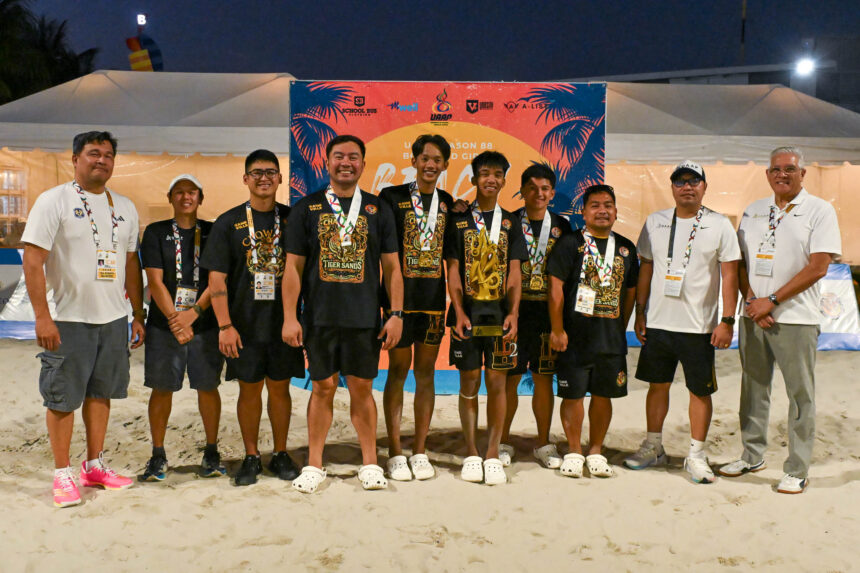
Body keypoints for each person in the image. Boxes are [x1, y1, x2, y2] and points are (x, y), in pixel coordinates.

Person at [21, 131, 143, 507]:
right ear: (75, 159)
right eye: (93, 153)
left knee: (100, 393)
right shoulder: (53, 200)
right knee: (62, 398)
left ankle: (94, 465)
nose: (101, 160)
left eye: (108, 154)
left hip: (113, 318)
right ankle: (63, 473)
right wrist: (42, 317)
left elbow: (130, 263)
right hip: (68, 318)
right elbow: (33, 260)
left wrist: (137, 314)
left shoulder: (125, 206)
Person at [283, 134, 404, 493]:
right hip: (319, 317)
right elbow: (293, 268)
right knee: (322, 388)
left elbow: (392, 268)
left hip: (364, 318)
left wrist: (396, 313)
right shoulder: (306, 208)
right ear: (327, 162)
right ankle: (314, 464)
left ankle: (370, 463)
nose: (346, 163)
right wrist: (290, 317)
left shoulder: (378, 209)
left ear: (363, 164)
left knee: (362, 388)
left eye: (353, 157)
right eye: (338, 156)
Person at [720, 146, 841, 494]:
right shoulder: (754, 210)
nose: (782, 174)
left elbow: (818, 267)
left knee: (800, 394)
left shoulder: (819, 210)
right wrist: (752, 302)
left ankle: (797, 468)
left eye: (789, 169)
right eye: (776, 169)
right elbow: (739, 262)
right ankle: (752, 455)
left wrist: (771, 302)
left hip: (796, 318)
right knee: (753, 388)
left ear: (803, 173)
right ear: (767, 174)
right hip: (754, 316)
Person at [624, 161, 740, 484]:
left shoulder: (719, 225)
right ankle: (654, 446)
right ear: (672, 187)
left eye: (694, 181)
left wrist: (727, 320)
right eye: (680, 181)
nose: (687, 186)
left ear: (705, 186)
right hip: (659, 323)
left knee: (699, 391)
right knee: (656, 385)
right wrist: (640, 312)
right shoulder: (655, 221)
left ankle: (697, 454)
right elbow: (646, 267)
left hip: (699, 327)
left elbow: (730, 276)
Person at [201, 149, 304, 486]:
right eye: (257, 172)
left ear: (280, 178)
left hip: (283, 322)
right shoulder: (227, 222)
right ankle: (251, 456)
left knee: (280, 389)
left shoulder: (293, 219)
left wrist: (296, 319)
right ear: (245, 178)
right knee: (249, 391)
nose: (264, 178)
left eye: (270, 172)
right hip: (243, 325)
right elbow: (217, 280)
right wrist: (225, 326)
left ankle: (281, 453)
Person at [445, 150, 527, 486]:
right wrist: (459, 310)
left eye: (497, 174)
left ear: (504, 180)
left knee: (497, 384)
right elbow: (452, 269)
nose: (490, 179)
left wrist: (514, 313)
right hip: (467, 316)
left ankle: (492, 453)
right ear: (474, 179)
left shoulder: (511, 223)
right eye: (484, 174)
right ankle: (471, 452)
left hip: (499, 316)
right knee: (468, 383)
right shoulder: (458, 220)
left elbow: (515, 273)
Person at [139, 174, 225, 481]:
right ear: (170, 197)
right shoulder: (155, 232)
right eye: (179, 192)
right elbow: (155, 281)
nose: (185, 197)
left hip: (205, 324)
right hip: (165, 326)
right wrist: (176, 320)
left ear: (200, 197)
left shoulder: (214, 232)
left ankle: (211, 451)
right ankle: (157, 455)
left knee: (208, 387)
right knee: (162, 388)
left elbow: (217, 279)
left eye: (191, 192)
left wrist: (194, 313)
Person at [378, 135, 454, 481]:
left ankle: (420, 451)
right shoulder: (391, 198)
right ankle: (395, 451)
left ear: (445, 165)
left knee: (426, 374)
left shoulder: (448, 203)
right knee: (397, 371)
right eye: (425, 158)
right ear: (414, 161)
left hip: (433, 303)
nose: (430, 165)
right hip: (399, 304)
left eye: (437, 160)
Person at [547, 184, 637, 478]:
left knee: (603, 395)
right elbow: (556, 288)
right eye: (595, 205)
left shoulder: (625, 248)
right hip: (574, 337)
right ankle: (574, 450)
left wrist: (620, 326)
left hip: (610, 338)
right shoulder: (569, 244)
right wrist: (557, 328)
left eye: (608, 205)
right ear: (583, 212)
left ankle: (596, 450)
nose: (602, 210)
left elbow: (631, 291)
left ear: (616, 212)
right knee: (572, 395)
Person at [500, 164, 571, 469]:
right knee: (510, 378)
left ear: (552, 193)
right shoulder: (508, 221)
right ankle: (502, 440)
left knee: (543, 379)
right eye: (532, 188)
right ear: (522, 191)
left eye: (544, 188)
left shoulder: (563, 226)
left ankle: (543, 442)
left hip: (547, 313)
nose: (538, 193)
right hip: (514, 312)